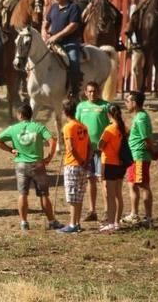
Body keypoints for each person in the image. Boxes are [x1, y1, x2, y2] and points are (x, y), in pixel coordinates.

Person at [0, 104, 64, 231]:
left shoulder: (13, 128)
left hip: (21, 164)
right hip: (38, 165)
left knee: (22, 194)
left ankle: (24, 222)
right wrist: (49, 156)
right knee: (44, 195)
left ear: (19, 115)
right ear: (31, 115)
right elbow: (53, 140)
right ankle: (52, 221)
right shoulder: (38, 127)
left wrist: (11, 150)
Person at [75, 81, 110, 223]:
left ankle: (108, 210)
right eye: (89, 91)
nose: (92, 94)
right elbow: (76, 126)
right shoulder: (81, 107)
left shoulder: (106, 106)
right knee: (90, 180)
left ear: (99, 91)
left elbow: (113, 125)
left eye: (94, 91)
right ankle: (92, 210)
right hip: (86, 150)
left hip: (102, 150)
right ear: (85, 92)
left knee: (103, 180)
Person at [122, 91, 157, 229]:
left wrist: (152, 152)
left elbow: (146, 138)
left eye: (127, 101)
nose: (126, 103)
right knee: (132, 185)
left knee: (143, 186)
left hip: (139, 157)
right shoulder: (138, 116)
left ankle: (148, 217)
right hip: (134, 156)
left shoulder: (141, 118)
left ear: (134, 103)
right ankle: (134, 213)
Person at [43, 0, 82, 98]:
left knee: (74, 62)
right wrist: (44, 32)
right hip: (53, 42)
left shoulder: (73, 7)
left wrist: (57, 36)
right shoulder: (54, 7)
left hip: (69, 42)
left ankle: (74, 91)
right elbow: (46, 21)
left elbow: (73, 26)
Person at [58, 99, 91, 234]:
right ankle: (77, 223)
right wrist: (86, 162)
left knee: (72, 195)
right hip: (83, 165)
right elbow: (90, 147)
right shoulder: (83, 126)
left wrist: (79, 161)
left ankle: (72, 224)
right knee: (79, 195)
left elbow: (71, 148)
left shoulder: (68, 127)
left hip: (72, 164)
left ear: (64, 112)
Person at [98, 104, 129, 233]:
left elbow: (100, 145)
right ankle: (117, 222)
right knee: (118, 194)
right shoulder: (124, 128)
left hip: (110, 163)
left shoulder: (109, 129)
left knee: (110, 196)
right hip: (121, 164)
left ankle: (110, 223)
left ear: (109, 115)